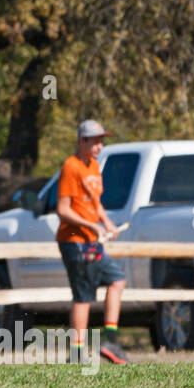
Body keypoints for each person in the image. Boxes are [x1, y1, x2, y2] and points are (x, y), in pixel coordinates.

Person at [55, 120, 129, 365]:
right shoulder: (71, 166)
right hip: (75, 242)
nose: (99, 145)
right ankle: (75, 354)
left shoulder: (94, 166)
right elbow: (63, 210)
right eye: (94, 140)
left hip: (92, 242)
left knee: (116, 280)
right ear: (81, 141)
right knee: (83, 296)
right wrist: (90, 225)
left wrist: (106, 222)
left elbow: (95, 203)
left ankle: (110, 341)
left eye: (101, 140)